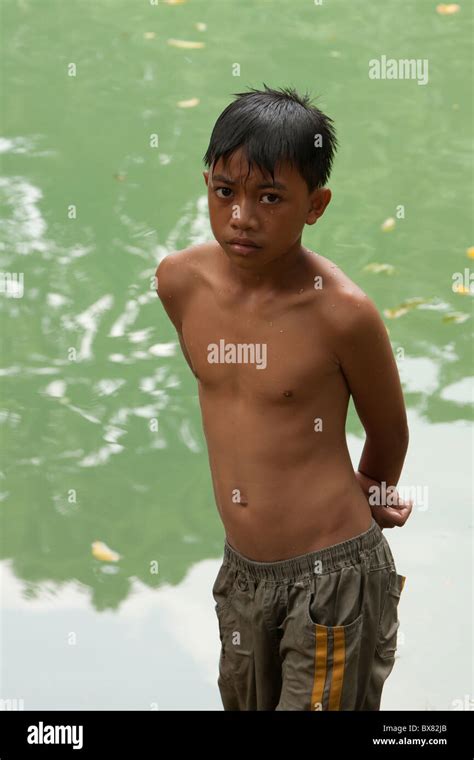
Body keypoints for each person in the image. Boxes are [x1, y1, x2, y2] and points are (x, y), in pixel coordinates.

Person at [156, 84, 412, 710]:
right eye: (226, 191)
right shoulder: (179, 282)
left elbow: (389, 432)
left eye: (270, 198)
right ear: (208, 184)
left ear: (315, 205)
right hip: (243, 576)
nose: (242, 216)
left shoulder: (343, 314)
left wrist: (373, 491)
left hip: (331, 580)